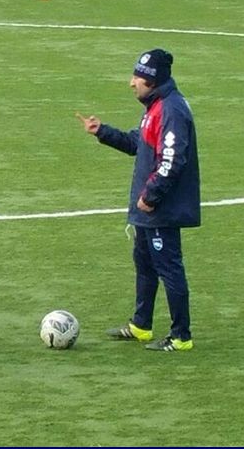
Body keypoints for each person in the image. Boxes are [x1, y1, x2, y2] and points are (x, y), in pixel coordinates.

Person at [76, 48, 200, 352]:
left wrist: (150, 196)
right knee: (144, 263)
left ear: (153, 80)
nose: (132, 83)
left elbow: (173, 160)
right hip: (149, 210)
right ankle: (141, 325)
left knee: (169, 268)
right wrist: (102, 132)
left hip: (161, 209)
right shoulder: (157, 106)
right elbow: (138, 144)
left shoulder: (172, 109)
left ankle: (181, 336)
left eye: (138, 77)